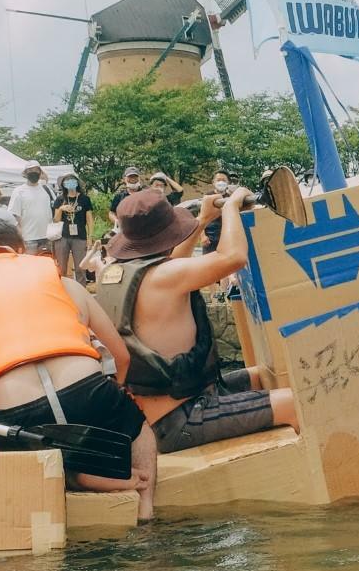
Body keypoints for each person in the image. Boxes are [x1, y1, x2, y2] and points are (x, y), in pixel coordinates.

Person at [0, 208, 155, 518]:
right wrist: (116, 397)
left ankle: (74, 476)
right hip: (87, 391)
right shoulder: (64, 284)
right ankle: (145, 508)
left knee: (22, 451)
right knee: (139, 429)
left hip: (21, 414)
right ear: (19, 250)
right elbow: (121, 356)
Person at [92, 187, 298, 454]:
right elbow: (232, 257)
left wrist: (203, 220)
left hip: (182, 402)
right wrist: (231, 208)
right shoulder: (163, 277)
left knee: (264, 375)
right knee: (294, 403)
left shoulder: (118, 273)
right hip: (180, 419)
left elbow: (173, 263)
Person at [7, 165, 55, 255]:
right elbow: (14, 215)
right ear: (25, 173)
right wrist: (20, 235)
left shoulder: (46, 189)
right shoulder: (19, 191)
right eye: (30, 170)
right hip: (28, 238)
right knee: (30, 266)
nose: (34, 172)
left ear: (40, 173)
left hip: (47, 237)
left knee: (46, 266)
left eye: (36, 170)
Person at [51, 175, 92, 279]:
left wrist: (90, 237)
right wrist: (61, 209)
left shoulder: (85, 199)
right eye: (67, 181)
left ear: (77, 182)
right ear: (63, 184)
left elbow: (89, 220)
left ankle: (81, 291)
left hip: (80, 236)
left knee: (80, 268)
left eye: (72, 181)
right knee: (62, 268)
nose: (70, 183)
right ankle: (63, 291)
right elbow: (56, 220)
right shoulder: (60, 199)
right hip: (62, 237)